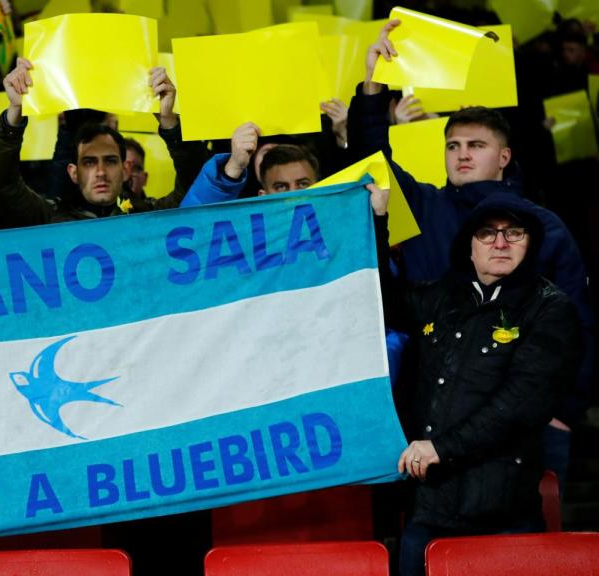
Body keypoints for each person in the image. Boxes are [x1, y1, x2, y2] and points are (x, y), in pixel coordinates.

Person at [350, 19, 594, 484]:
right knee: (440, 549)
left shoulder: (543, 226)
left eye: (476, 145)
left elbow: (579, 324)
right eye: (453, 145)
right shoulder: (421, 205)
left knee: (524, 553)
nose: (462, 154)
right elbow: (371, 158)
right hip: (431, 419)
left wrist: (564, 412)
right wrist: (372, 83)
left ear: (503, 157)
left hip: (527, 424)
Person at [373, 190, 583, 576]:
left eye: (514, 233)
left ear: (530, 244)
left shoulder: (551, 309)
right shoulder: (440, 295)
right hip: (427, 511)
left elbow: (521, 404)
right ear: (469, 246)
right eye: (487, 233)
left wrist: (441, 447)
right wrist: (378, 221)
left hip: (502, 514)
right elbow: (374, 298)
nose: (500, 242)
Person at [0, 58, 189, 226]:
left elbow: (195, 185)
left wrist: (169, 121)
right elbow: (0, 185)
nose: (100, 172)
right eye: (89, 162)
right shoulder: (49, 218)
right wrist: (15, 113)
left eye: (109, 161)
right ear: (73, 172)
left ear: (126, 169)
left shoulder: (153, 217)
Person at [180, 122, 321, 206]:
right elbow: (194, 228)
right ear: (263, 195)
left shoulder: (338, 230)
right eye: (281, 187)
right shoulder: (245, 239)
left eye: (303, 184)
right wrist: (234, 166)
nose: (294, 195)